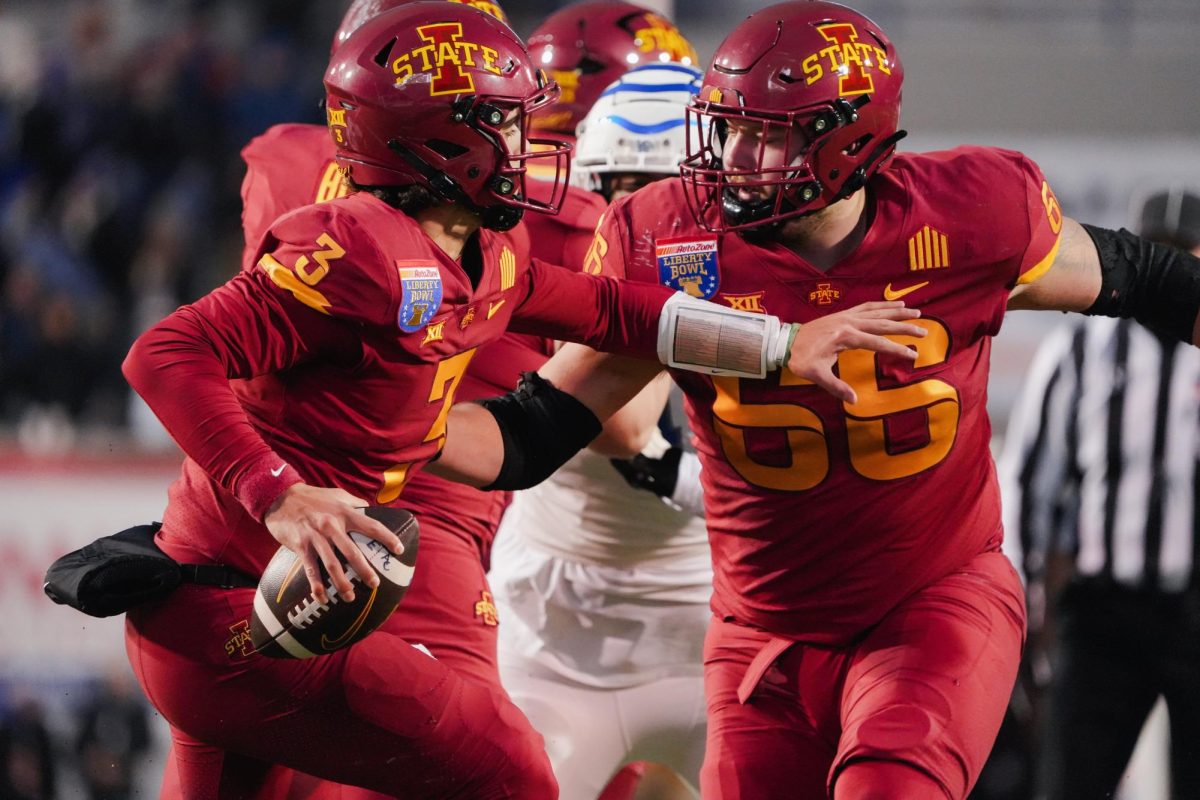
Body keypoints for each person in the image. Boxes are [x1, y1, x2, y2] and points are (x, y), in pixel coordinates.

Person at [120, 4, 921, 798]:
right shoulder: (356, 249)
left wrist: (781, 344)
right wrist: (278, 493)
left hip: (284, 596)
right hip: (239, 603)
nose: (525, 144)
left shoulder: (487, 247)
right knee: (510, 770)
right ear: (436, 136)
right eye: (504, 120)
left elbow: (618, 313)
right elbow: (163, 353)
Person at [432, 2, 1200, 798]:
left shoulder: (968, 216)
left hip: (930, 601)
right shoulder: (670, 239)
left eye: (764, 133)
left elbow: (1145, 276)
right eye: (727, 128)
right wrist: (379, 432)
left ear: (848, 139)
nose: (733, 156)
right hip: (760, 631)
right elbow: (530, 432)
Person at [488, 63, 710, 800]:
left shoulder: (778, 272)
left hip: (713, 618)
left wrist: (683, 479)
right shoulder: (559, 250)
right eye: (611, 189)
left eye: (653, 192)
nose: (629, 213)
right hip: (556, 622)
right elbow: (621, 422)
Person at [999, 186, 1200, 800]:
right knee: (1069, 781)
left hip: (1198, 607)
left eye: (1182, 255)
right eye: (1157, 254)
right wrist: (1027, 604)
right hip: (1104, 609)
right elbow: (1033, 478)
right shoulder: (1082, 349)